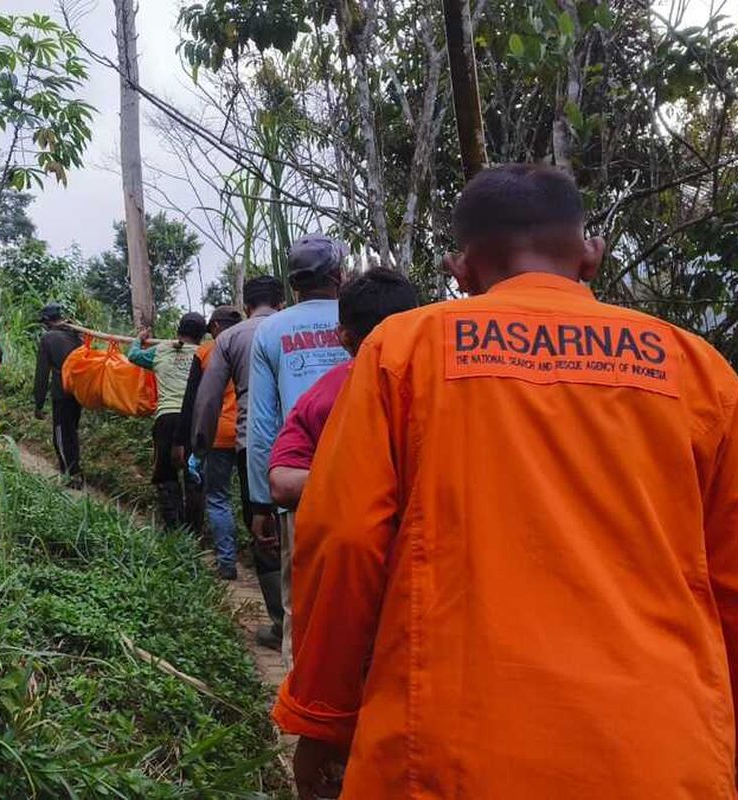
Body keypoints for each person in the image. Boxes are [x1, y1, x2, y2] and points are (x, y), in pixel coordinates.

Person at [277, 163, 738, 800]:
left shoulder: (402, 352)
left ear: (459, 270)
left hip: (450, 752)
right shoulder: (699, 371)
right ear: (590, 255)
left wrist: (323, 716)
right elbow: (730, 581)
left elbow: (344, 536)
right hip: (663, 751)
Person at [246, 235, 352, 654]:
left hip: (299, 486)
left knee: (300, 606)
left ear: (293, 286)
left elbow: (263, 425)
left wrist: (261, 503)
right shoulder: (363, 320)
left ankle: (297, 706)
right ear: (338, 276)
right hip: (371, 480)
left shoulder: (271, 331)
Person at [268, 268, 419, 508]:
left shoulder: (321, 394)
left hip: (358, 537)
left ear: (343, 336)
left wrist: (360, 482)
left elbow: (283, 485)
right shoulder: (447, 382)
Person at [193, 275, 285, 646]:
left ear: (246, 305)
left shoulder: (230, 338)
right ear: (281, 300)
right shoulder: (297, 326)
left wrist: (199, 445)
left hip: (255, 447)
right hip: (312, 442)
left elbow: (208, 399)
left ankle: (281, 624)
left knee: (264, 531)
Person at [175, 305, 244, 579]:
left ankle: (227, 563)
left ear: (215, 327)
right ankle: (269, 560)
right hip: (252, 432)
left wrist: (186, 441)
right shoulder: (253, 343)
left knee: (218, 498)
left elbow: (194, 399)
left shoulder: (205, 352)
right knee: (259, 499)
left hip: (218, 434)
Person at [128, 312, 208, 528]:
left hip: (166, 419)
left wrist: (139, 339)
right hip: (194, 420)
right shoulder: (204, 354)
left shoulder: (160, 350)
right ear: (202, 335)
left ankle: (174, 528)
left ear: (178, 330)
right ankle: (195, 531)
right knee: (194, 474)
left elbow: (133, 355)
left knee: (166, 474)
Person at [33, 304, 84, 485]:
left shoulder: (48, 338)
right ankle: (75, 471)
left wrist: (38, 403)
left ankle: (70, 474)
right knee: (72, 432)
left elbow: (42, 373)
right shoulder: (76, 335)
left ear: (47, 321)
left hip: (61, 393)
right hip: (78, 392)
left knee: (60, 436)